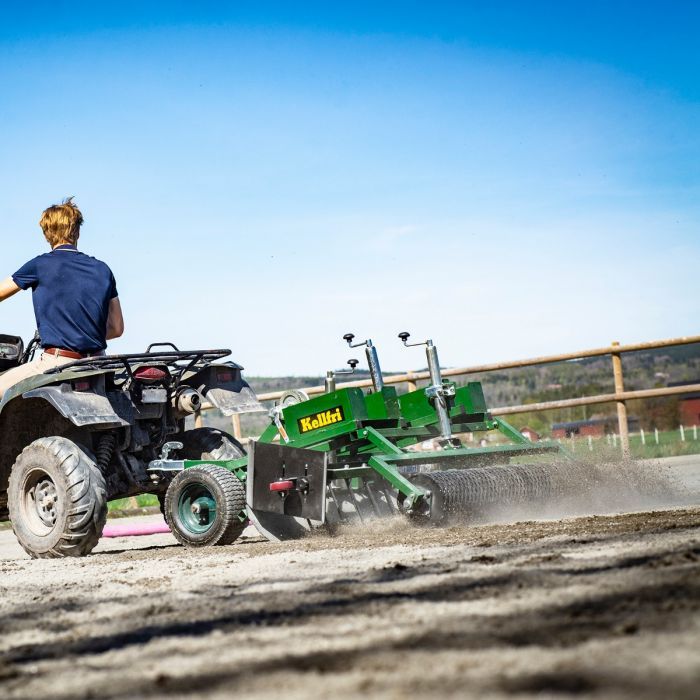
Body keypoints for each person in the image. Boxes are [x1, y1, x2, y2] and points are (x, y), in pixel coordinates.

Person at [0, 198, 124, 397]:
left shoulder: (39, 265)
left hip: (57, 363)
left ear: (47, 234)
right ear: (77, 231)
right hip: (99, 365)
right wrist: (83, 334)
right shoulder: (103, 269)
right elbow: (117, 329)